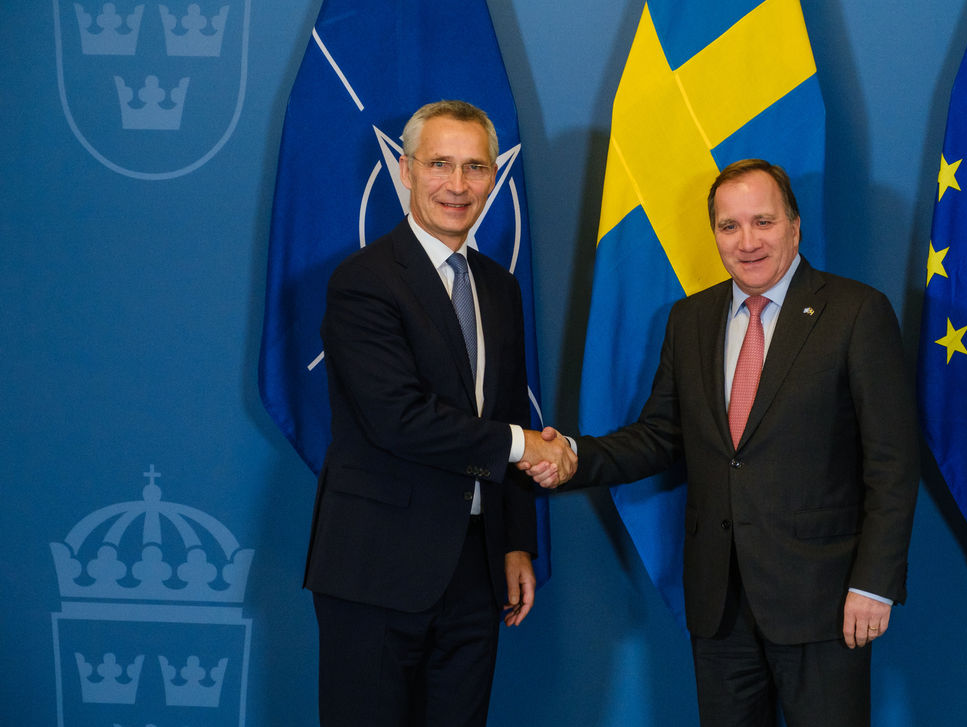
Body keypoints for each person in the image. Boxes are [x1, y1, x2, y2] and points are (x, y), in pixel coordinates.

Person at [530, 159, 919, 726]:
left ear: (795, 225)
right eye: (729, 226)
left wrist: (874, 585)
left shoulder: (856, 313)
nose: (747, 241)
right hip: (720, 604)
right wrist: (571, 457)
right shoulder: (691, 319)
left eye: (762, 221)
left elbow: (892, 462)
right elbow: (660, 436)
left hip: (825, 599)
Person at [303, 99, 575, 727]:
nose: (458, 185)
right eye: (440, 164)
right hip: (377, 570)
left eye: (475, 167)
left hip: (476, 571)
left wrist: (513, 543)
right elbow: (398, 418)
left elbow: (504, 408)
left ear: (492, 179)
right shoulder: (364, 281)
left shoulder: (498, 288)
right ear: (405, 170)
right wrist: (528, 446)